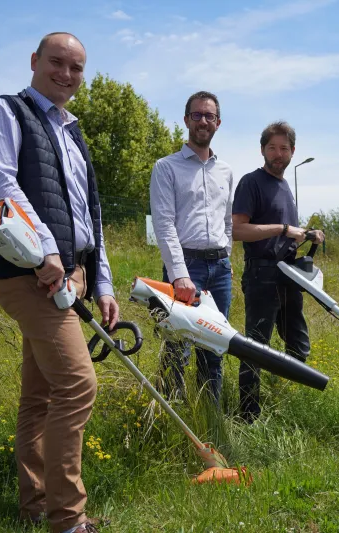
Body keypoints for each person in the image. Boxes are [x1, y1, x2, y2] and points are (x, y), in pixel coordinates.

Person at [0, 32, 117, 533]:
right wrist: (46, 253)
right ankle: (68, 519)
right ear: (34, 61)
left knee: (41, 397)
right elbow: (1, 188)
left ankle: (35, 506)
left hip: (69, 278)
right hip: (27, 276)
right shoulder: (4, 113)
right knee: (78, 387)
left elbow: (89, 217)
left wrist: (102, 285)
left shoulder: (74, 133)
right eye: (57, 62)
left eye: (76, 68)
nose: (67, 74)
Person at [231, 121, 324, 423]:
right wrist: (284, 229)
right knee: (256, 347)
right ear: (262, 150)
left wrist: (309, 233)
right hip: (261, 274)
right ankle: (248, 414)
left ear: (292, 152)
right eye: (272, 147)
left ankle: (277, 401)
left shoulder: (285, 186)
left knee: (298, 346)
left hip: (288, 274)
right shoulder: (251, 182)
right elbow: (238, 230)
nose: (278, 153)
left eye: (284, 148)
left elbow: (287, 233)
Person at [149, 91, 234, 403]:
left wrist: (227, 257)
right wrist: (179, 275)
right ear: (186, 120)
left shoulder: (225, 171)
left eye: (209, 116)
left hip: (220, 270)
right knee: (178, 347)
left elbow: (227, 221)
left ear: (218, 123)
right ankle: (172, 417)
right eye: (196, 115)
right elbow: (164, 224)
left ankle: (209, 416)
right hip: (186, 267)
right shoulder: (166, 168)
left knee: (215, 347)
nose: (203, 121)